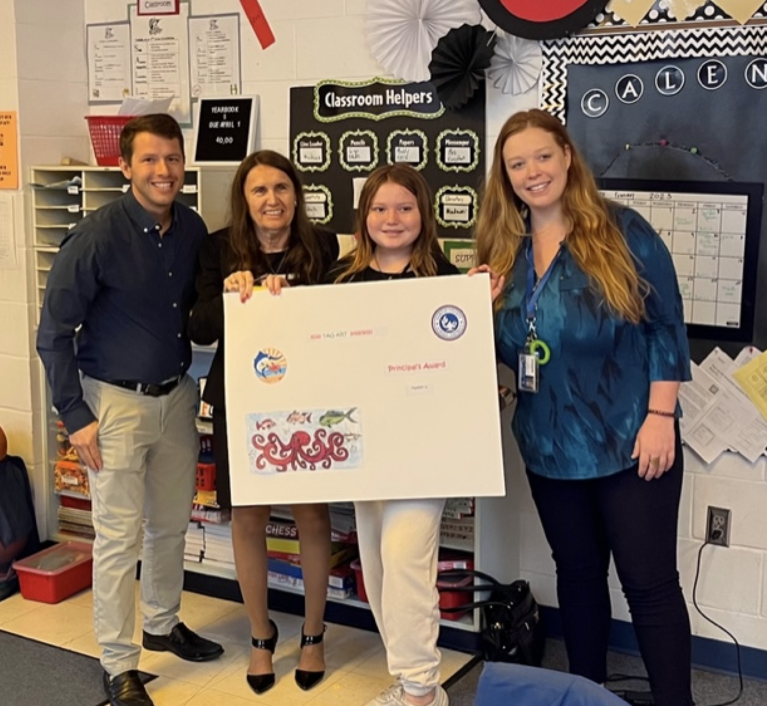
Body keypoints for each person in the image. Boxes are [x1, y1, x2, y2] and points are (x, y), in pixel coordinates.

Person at [474, 109, 694, 706]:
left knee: (648, 585)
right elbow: (501, 348)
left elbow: (665, 327)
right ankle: (588, 693)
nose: (532, 172)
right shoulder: (502, 248)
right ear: (505, 175)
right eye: (517, 164)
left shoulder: (623, 231)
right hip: (548, 445)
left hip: (630, 438)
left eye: (542, 156)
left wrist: (661, 418)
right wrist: (479, 309)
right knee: (576, 575)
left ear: (568, 156)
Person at [36, 114, 223, 706]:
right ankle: (119, 663)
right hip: (112, 406)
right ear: (124, 166)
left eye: (172, 158)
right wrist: (74, 414)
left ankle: (162, 623)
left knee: (169, 524)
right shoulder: (95, 237)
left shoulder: (191, 228)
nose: (163, 170)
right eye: (149, 159)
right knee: (118, 538)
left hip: (176, 397)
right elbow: (52, 335)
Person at [187, 149, 339, 694]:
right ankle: (260, 634)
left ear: (296, 194)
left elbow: (334, 318)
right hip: (243, 397)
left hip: (305, 397)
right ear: (244, 199)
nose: (271, 199)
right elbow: (200, 328)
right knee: (247, 517)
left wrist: (296, 296)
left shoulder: (323, 245)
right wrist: (234, 294)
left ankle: (314, 634)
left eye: (281, 188)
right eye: (259, 190)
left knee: (311, 515)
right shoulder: (217, 248)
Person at [326, 163, 458, 706]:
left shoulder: (447, 281)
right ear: (363, 217)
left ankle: (422, 688)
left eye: (405, 207)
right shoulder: (340, 280)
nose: (392, 218)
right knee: (378, 565)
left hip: (424, 451)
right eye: (379, 208)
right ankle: (410, 678)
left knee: (405, 559)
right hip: (366, 448)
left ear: (424, 214)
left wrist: (485, 301)